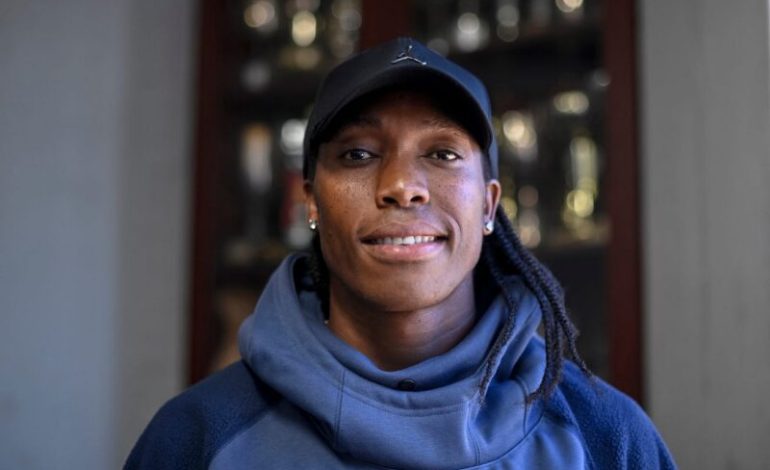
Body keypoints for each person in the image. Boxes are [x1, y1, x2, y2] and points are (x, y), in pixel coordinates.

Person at [125, 37, 675, 469]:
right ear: (311, 201)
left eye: (442, 153)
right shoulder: (199, 437)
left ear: (489, 205)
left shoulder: (604, 435)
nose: (402, 186)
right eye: (359, 154)